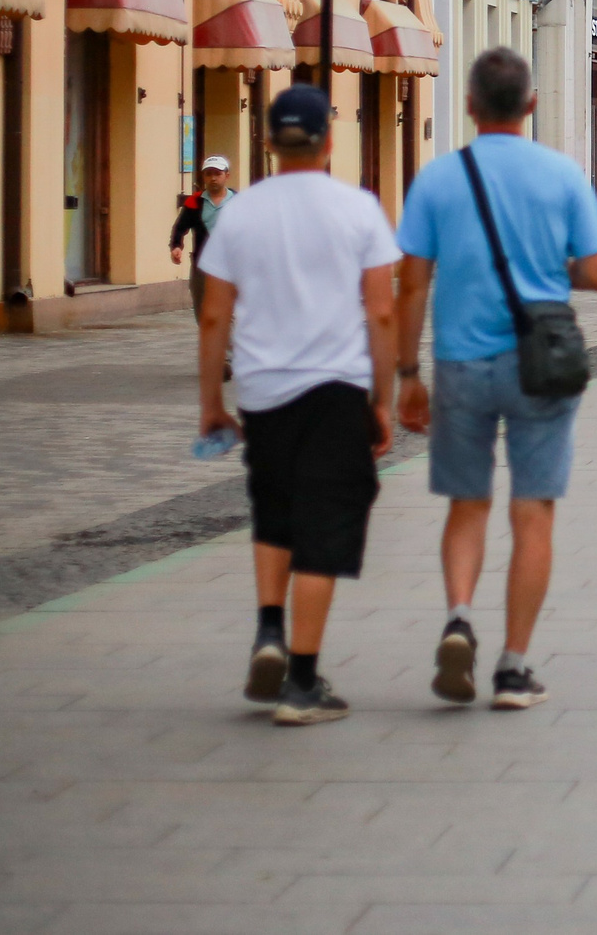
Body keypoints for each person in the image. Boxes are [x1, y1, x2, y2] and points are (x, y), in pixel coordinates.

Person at [394, 49, 597, 713]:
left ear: (469, 106)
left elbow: (411, 284)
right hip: (540, 364)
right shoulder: (562, 174)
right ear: (531, 105)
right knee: (532, 511)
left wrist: (407, 374)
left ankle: (459, 617)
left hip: (460, 364)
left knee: (467, 503)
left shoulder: (438, 179)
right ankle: (514, 668)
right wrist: (548, 272)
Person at [194, 87, 400, 727]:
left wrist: (212, 403)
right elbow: (382, 312)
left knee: (275, 509)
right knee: (324, 527)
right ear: (329, 141)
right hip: (335, 388)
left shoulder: (241, 215)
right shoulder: (359, 210)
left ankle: (269, 630)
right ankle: (303, 683)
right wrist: (383, 399)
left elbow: (213, 316)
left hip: (262, 390)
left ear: (267, 144)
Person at [170, 154, 237, 316]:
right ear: (203, 176)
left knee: (228, 311)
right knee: (203, 310)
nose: (213, 178)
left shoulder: (239, 201)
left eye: (217, 174)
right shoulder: (195, 202)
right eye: (209, 174)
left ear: (227, 176)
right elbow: (180, 227)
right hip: (202, 264)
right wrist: (176, 246)